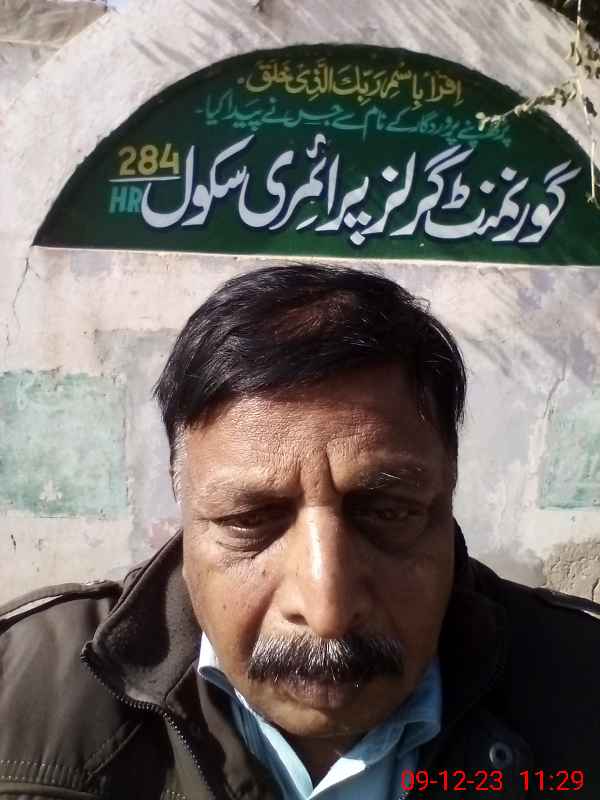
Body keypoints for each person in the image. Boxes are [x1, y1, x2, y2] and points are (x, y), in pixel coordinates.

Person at [1, 263, 599, 800]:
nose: (327, 610)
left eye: (388, 512)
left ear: (449, 488)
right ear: (183, 502)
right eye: (248, 520)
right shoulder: (18, 696)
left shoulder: (582, 688)